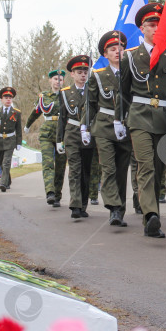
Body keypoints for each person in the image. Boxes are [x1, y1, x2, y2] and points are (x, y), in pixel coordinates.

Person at [116, 2, 166, 238]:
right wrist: (118, 120)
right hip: (139, 118)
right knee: (145, 165)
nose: (156, 29)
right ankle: (151, 216)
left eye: (159, 25)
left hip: (162, 118)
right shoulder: (130, 57)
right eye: (151, 25)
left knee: (159, 167)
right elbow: (122, 92)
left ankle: (150, 212)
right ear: (142, 28)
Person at [85, 31, 133, 227]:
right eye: (113, 49)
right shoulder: (97, 76)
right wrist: (85, 127)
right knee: (109, 167)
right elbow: (89, 104)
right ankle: (113, 206)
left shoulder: (132, 74)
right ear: (105, 55)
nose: (117, 52)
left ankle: (119, 211)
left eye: (120, 48)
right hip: (104, 126)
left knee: (122, 170)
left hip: (127, 125)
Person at [57, 55, 94, 220]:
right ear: (72, 74)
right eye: (79, 72)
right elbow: (62, 118)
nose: (83, 75)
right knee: (75, 169)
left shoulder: (92, 90)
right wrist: (59, 139)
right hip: (72, 133)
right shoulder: (65, 93)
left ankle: (83, 204)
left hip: (89, 134)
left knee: (86, 171)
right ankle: (75, 205)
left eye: (85, 72)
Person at [26, 70, 67, 207]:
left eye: (60, 79)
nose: (58, 81)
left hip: (62, 134)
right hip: (47, 133)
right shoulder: (43, 96)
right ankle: (50, 192)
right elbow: (36, 111)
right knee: (48, 163)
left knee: (60, 166)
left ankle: (57, 195)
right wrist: (27, 125)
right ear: (50, 81)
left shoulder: (67, 95)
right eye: (55, 79)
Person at [0, 87, 22, 193]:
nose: (8, 100)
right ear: (1, 99)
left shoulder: (16, 112)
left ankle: (3, 183)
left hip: (10, 140)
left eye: (10, 98)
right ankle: (8, 181)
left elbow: (18, 129)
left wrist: (19, 142)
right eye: (6, 97)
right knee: (2, 162)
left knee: (6, 162)